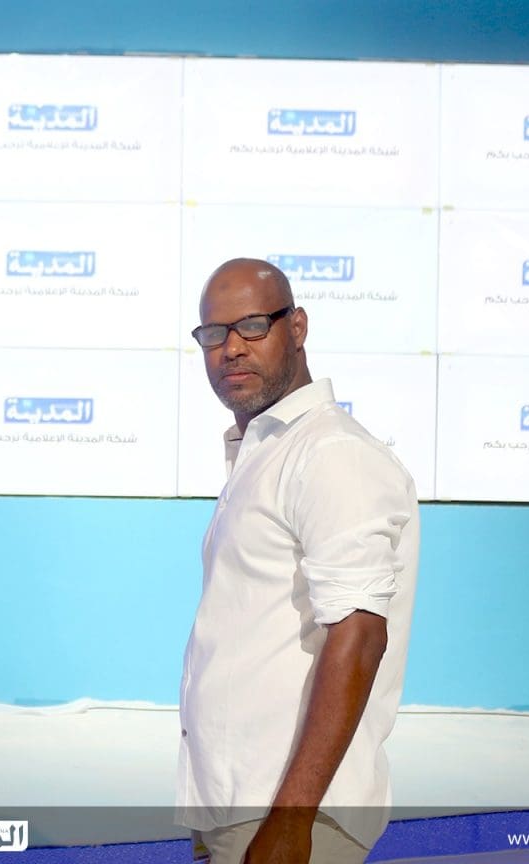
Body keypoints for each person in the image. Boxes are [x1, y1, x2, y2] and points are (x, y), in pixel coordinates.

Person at [176, 258, 420, 864]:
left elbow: (359, 636)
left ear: (299, 326)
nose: (232, 347)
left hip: (288, 815)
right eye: (214, 333)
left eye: (252, 326)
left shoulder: (331, 453)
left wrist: (291, 822)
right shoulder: (267, 450)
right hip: (238, 804)